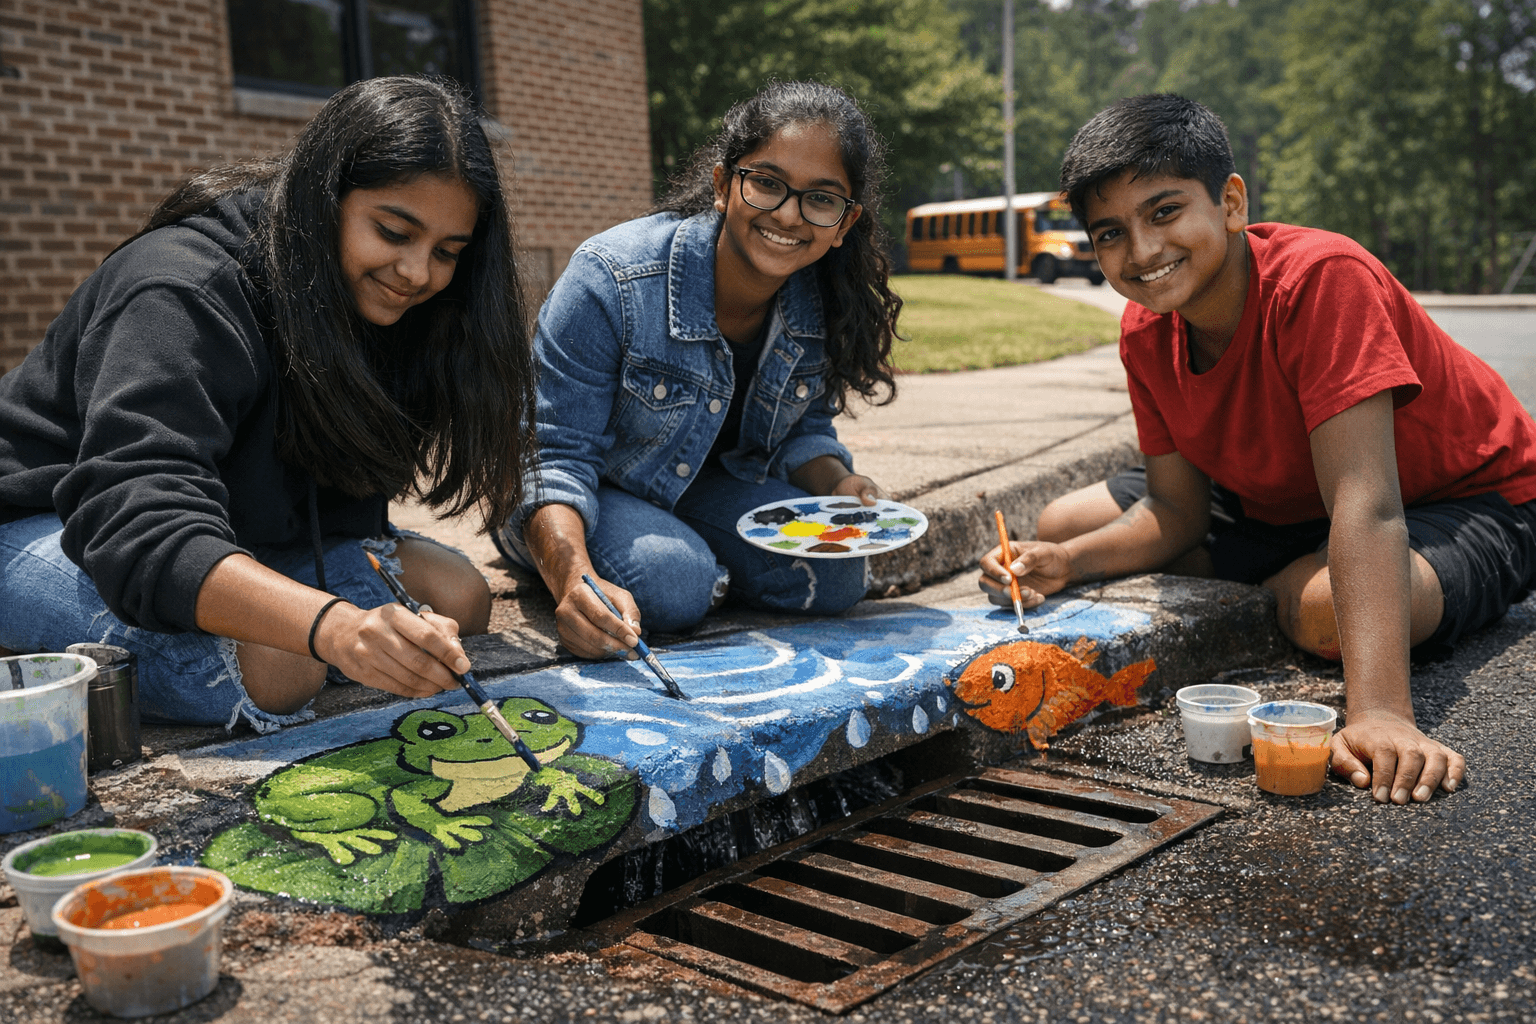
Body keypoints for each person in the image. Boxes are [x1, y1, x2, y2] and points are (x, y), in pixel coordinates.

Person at [979, 94, 1536, 804]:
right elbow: (1174, 509)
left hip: (1467, 498)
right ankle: (1275, 571)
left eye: (1164, 212)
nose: (1143, 251)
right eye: (1110, 232)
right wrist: (1067, 564)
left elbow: (1367, 504)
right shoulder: (1145, 332)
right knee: (1061, 527)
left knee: (1325, 611)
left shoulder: (1321, 280)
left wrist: (1381, 714)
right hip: (1280, 494)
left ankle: (1278, 584)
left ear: (1231, 203)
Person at [0, 76, 537, 732]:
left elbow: (342, 510)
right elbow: (139, 516)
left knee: (459, 595)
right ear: (324, 195)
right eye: (394, 231)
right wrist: (336, 630)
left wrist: (344, 628)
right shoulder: (184, 286)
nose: (418, 272)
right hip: (46, 523)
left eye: (447, 252)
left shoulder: (381, 299)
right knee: (286, 663)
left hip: (226, 526)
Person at [496, 81, 901, 662]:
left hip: (705, 489)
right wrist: (573, 580)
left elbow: (805, 430)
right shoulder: (611, 278)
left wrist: (840, 484)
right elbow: (552, 457)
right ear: (722, 186)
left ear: (844, 222)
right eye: (766, 183)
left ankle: (704, 565)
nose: (788, 213)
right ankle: (625, 558)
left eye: (821, 199)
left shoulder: (823, 301)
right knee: (672, 584)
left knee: (835, 579)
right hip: (586, 486)